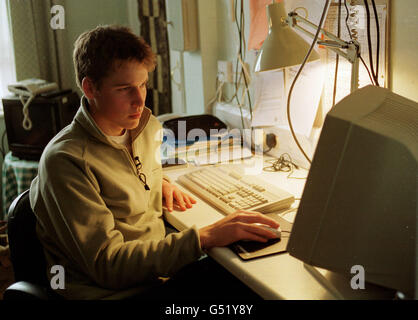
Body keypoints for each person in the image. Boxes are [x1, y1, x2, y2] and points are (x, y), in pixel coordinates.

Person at [29, 25, 280, 300]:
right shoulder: (66, 161)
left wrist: (158, 181)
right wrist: (203, 238)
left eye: (142, 84)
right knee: (248, 285)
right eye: (124, 89)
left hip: (156, 273)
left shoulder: (145, 128)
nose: (139, 100)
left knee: (252, 267)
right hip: (115, 292)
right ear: (90, 88)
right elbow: (108, 265)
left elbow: (124, 171)